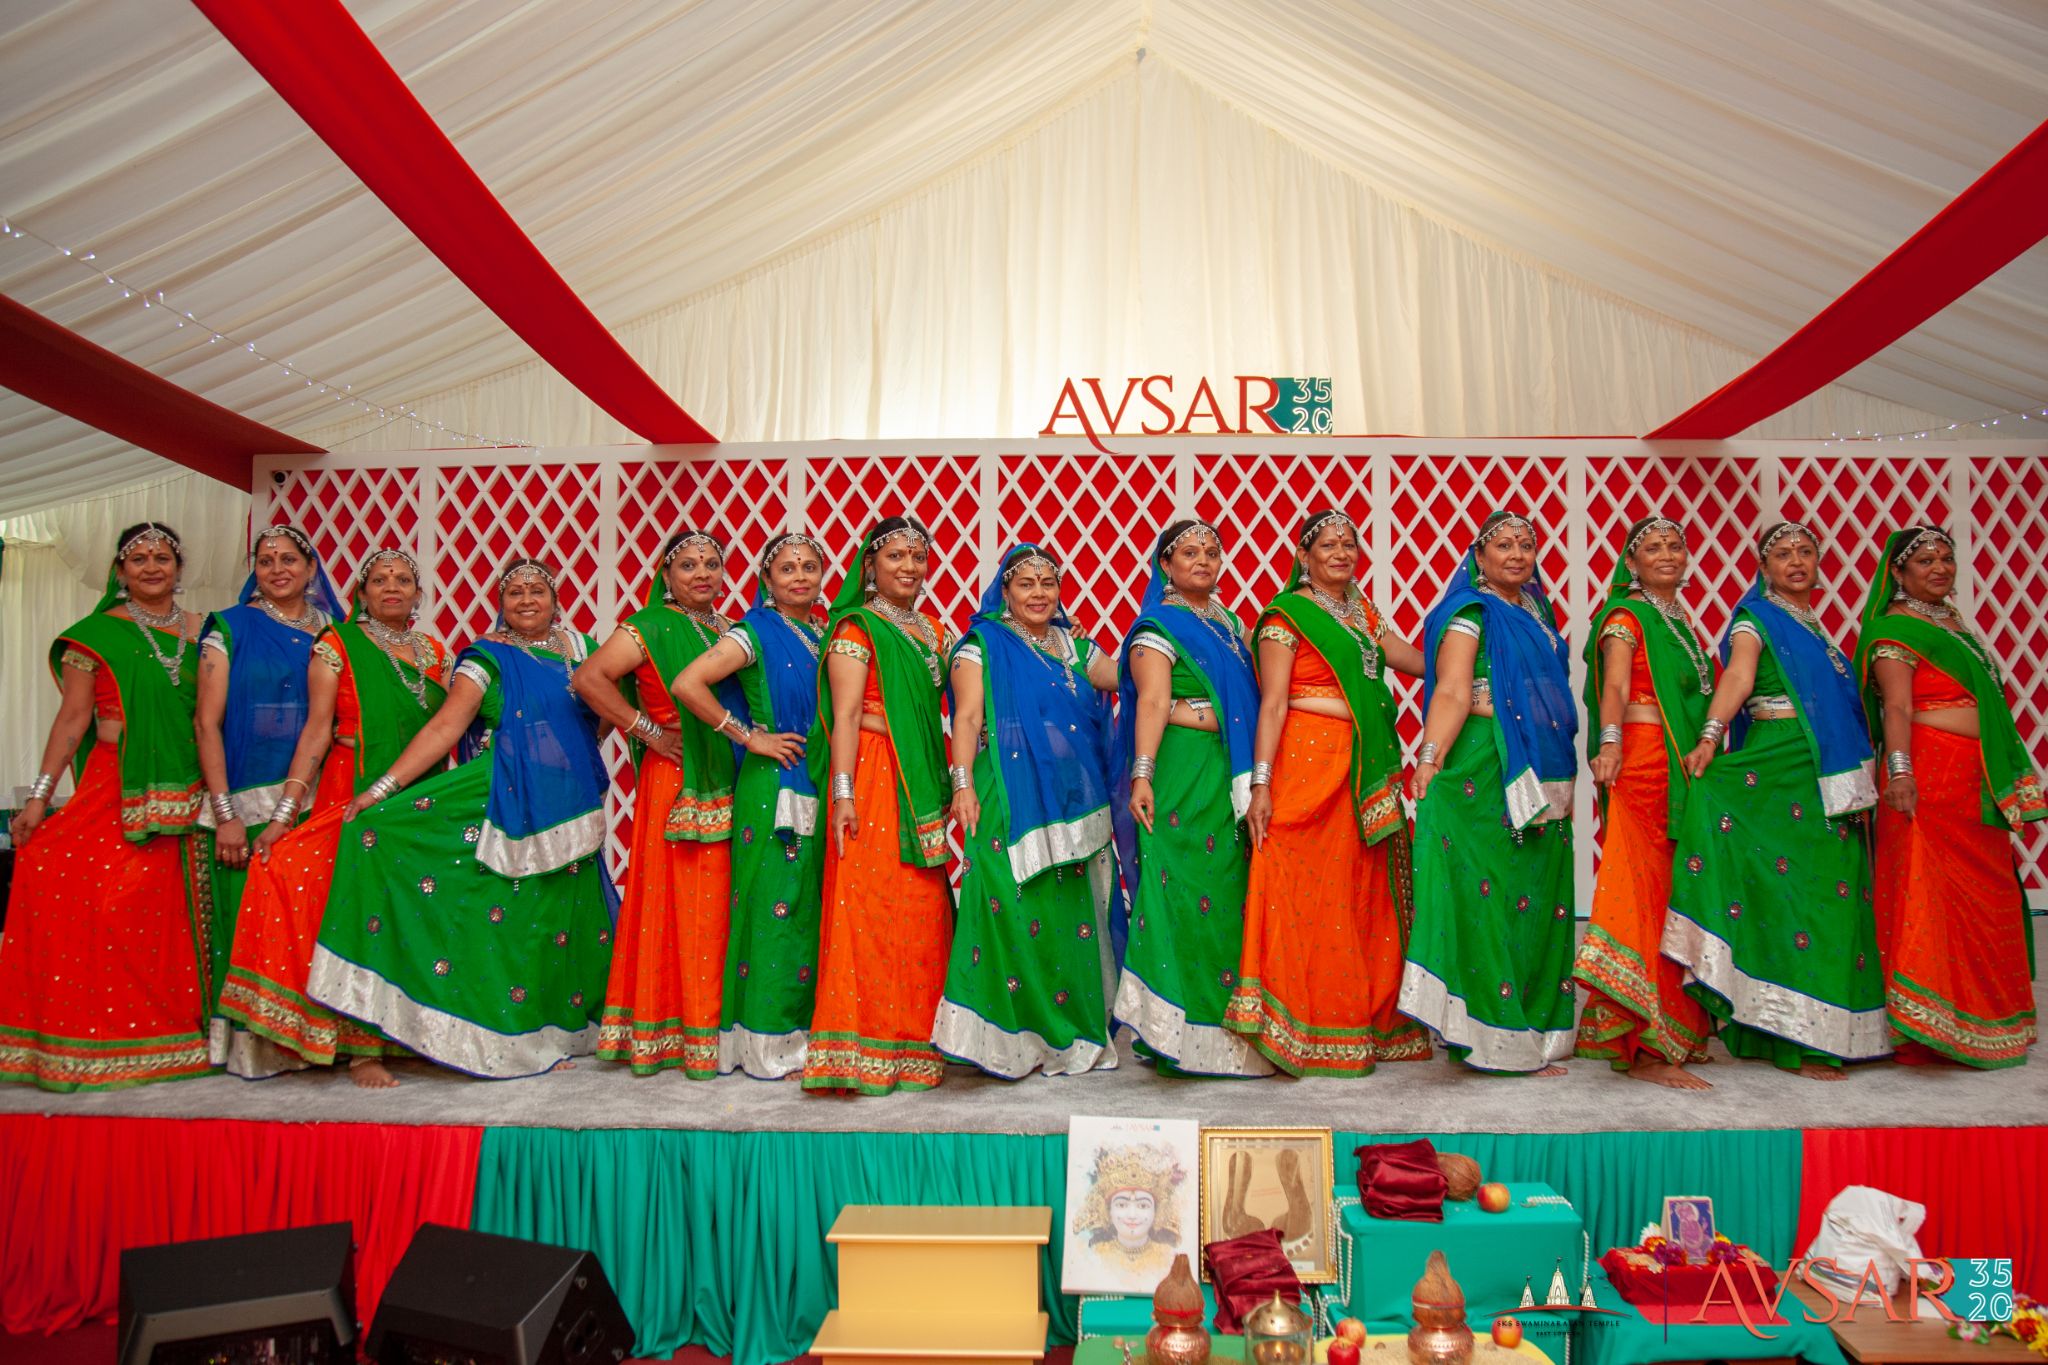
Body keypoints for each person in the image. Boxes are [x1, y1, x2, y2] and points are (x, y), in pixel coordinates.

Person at [306, 558, 616, 1078]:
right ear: (502, 601)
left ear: (555, 599)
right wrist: (382, 790)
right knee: (507, 917)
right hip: (501, 801)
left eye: (536, 590)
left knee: (556, 920)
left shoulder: (584, 650)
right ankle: (419, 1037)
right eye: (513, 591)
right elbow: (446, 727)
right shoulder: (485, 658)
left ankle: (554, 1033)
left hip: (568, 804)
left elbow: (604, 712)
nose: (525, 600)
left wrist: (570, 761)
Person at [214, 548, 451, 1084]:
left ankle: (408, 1035)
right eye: (379, 580)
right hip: (354, 791)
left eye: (404, 580)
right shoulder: (337, 645)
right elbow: (317, 731)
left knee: (411, 912)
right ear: (361, 594)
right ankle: (361, 1049)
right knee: (355, 911)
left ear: (418, 594)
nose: (392, 587)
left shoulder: (435, 652)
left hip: (420, 800)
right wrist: (283, 813)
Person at [1663, 522, 1888, 1079]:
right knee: (1785, 901)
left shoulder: (1817, 631)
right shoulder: (1755, 620)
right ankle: (1792, 1042)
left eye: (1805, 552)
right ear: (1764, 568)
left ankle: (1831, 1029)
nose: (1795, 562)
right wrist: (1712, 735)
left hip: (1826, 779)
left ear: (1818, 562)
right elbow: (1738, 677)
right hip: (1776, 768)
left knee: (1833, 899)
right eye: (1782, 555)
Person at [0, 523, 212, 1090]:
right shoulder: (94, 637)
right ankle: (97, 1033)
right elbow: (72, 721)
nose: (150, 567)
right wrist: (40, 797)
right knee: (101, 901)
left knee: (173, 915)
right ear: (120, 573)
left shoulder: (206, 633)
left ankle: (178, 1034)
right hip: (114, 784)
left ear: (178, 567)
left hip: (193, 783)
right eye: (138, 559)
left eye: (161, 557)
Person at [1229, 509, 1430, 1075]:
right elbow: (1271, 703)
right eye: (1328, 545)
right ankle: (1292, 1023)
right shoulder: (1286, 616)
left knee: (1355, 892)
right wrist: (1262, 785)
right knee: (1298, 884)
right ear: (1304, 556)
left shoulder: (1363, 612)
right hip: (1306, 760)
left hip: (1362, 766)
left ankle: (1355, 1020)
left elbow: (1413, 660)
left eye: (1349, 543)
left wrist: (1471, 652)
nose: (1341, 552)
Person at [1400, 510, 1579, 1075]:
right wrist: (1430, 758)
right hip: (1486, 764)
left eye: (1527, 544)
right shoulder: (1470, 613)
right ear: (1479, 556)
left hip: (1547, 771)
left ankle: (1533, 1030)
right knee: (1489, 896)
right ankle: (1488, 1033)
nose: (1517, 554)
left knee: (1536, 901)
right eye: (1503, 544)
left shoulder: (1538, 614)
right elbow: (1451, 691)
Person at [934, 543, 1121, 1078]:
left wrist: (1175, 659)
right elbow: (966, 720)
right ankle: (1003, 1040)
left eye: (1047, 583)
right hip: (1005, 796)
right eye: (1026, 584)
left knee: (1066, 911)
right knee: (1005, 901)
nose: (1038, 593)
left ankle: (1062, 1030)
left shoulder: (1072, 644)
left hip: (1070, 797)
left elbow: (1119, 676)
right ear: (1005, 592)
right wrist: (963, 785)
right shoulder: (982, 647)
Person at [1857, 525, 2041, 1068]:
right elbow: (1896, 710)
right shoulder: (1895, 630)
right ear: (1898, 572)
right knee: (1928, 892)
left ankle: (1985, 1013)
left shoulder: (1954, 626)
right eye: (1925, 561)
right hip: (1928, 780)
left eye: (1946, 559)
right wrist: (1900, 773)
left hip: (1972, 781)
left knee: (1987, 895)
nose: (1939, 568)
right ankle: (1927, 1022)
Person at [1111, 520, 1272, 1077]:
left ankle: (1223, 1033)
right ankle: (1170, 1035)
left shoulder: (1230, 625)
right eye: (1189, 552)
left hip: (1224, 775)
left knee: (1227, 897)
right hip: (1178, 773)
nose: (1203, 560)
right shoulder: (1157, 627)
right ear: (1166, 565)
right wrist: (1143, 776)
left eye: (1212, 551)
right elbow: (1151, 703)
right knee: (1176, 895)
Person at [575, 530, 739, 1078]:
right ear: (666, 576)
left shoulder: (724, 628)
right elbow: (588, 678)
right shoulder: (646, 626)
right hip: (677, 778)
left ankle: (714, 1027)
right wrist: (644, 728)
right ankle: (673, 1030)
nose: (702, 574)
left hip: (726, 771)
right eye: (688, 565)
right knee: (683, 899)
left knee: (718, 904)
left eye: (712, 564)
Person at [803, 516, 956, 1094]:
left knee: (920, 908)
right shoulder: (858, 628)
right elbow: (842, 715)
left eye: (918, 557)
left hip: (919, 782)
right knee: (864, 905)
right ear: (870, 565)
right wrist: (842, 793)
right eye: (896, 556)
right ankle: (858, 1048)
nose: (909, 567)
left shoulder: (933, 632)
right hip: (869, 773)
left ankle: (915, 1044)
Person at [674, 532, 827, 1079]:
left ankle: (804, 1033)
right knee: (773, 912)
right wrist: (747, 736)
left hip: (818, 779)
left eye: (810, 566)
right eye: (787, 568)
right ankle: (765, 1044)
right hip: (774, 785)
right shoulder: (754, 632)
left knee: (807, 911)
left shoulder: (825, 631)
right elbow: (688, 682)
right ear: (767, 579)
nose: (800, 576)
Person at [1571, 516, 1717, 1088]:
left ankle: (1670, 1024)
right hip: (1645, 759)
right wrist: (1609, 746)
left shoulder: (1676, 617)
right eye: (1652, 547)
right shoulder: (1628, 616)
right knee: (1641, 885)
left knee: (1672, 888)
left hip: (1682, 766)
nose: (1667, 554)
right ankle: (1646, 1043)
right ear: (1630, 563)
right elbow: (1613, 686)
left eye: (1675, 545)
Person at [194, 524, 345, 1020]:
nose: (277, 570)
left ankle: (308, 1032)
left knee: (310, 921)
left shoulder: (335, 632)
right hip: (247, 798)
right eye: (266, 561)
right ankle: (249, 1041)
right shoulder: (231, 626)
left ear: (310, 569)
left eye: (289, 560)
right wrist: (224, 813)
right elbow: (206, 722)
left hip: (320, 796)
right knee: (248, 922)